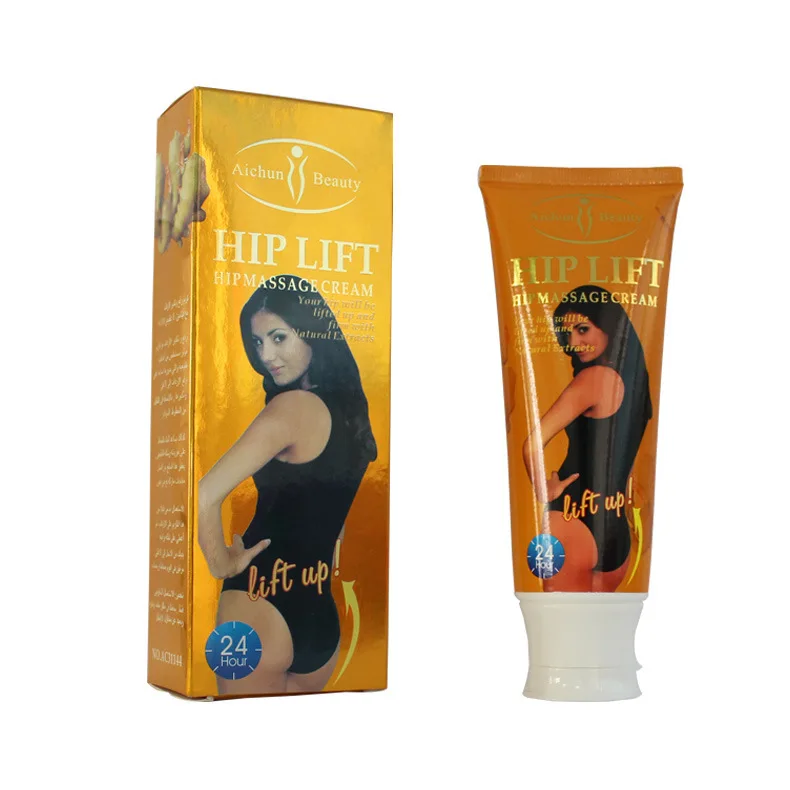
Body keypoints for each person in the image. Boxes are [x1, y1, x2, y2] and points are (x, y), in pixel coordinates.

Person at [198, 274, 376, 694]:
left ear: (313, 332)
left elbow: (205, 493)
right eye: (258, 342)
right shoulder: (353, 414)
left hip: (259, 601)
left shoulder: (292, 407)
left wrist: (222, 564)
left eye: (278, 337)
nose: (266, 356)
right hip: (320, 617)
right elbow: (332, 512)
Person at [522, 285, 652, 592]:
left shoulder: (594, 379)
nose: (573, 343)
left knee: (558, 617)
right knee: (605, 619)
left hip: (571, 519)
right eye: (568, 334)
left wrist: (543, 489)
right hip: (616, 530)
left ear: (609, 326)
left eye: (583, 329)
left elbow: (532, 445)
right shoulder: (636, 384)